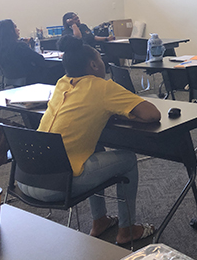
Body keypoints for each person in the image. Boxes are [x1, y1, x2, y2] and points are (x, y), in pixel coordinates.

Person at [17, 34, 161, 245]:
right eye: (100, 60)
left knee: (95, 148)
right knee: (129, 159)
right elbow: (152, 114)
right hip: (57, 185)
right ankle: (127, 229)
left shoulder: (62, 83)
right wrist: (121, 112)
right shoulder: (102, 87)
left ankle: (100, 221)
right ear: (94, 64)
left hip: (25, 177)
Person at [0, 19, 65, 85]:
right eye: (15, 27)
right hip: (31, 78)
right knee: (61, 68)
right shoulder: (19, 46)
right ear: (10, 31)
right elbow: (39, 60)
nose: (18, 30)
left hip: (11, 78)